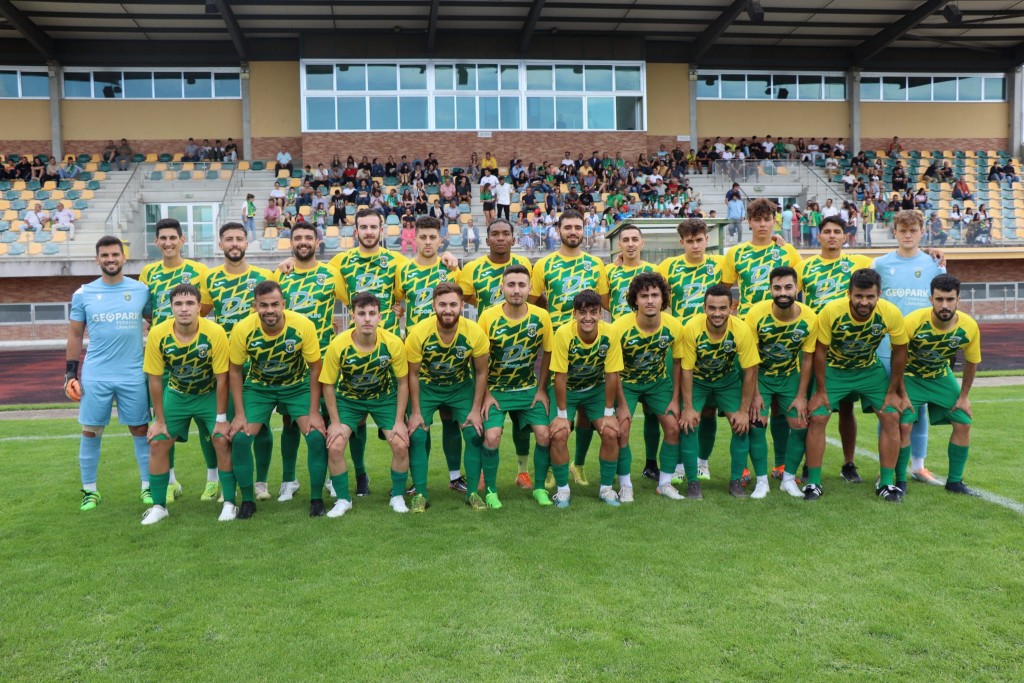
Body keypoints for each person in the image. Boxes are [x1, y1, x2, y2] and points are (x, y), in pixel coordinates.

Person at [805, 268, 910, 502]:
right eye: (858, 296)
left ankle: (886, 482)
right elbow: (820, 352)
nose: (864, 302)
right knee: (818, 416)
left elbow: (900, 352)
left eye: (870, 296)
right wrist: (821, 390)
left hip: (868, 369)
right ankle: (813, 481)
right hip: (835, 369)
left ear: (879, 294)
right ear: (849, 294)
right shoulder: (832, 311)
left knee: (891, 415)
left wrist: (893, 391)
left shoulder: (890, 313)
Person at [65, 236, 152, 512]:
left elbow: (156, 322)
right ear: (97, 259)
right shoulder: (83, 293)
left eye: (115, 254)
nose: (110, 259)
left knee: (141, 429)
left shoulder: (141, 290)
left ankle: (148, 486)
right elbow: (75, 334)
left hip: (133, 373)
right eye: (105, 255)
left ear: (124, 257)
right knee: (91, 431)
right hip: (96, 374)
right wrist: (70, 374)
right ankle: (90, 491)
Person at [226, 281, 327, 519]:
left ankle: (316, 499)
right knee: (240, 438)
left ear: (283, 304)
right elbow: (235, 371)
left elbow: (315, 368)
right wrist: (239, 414)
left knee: (315, 436)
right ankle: (248, 501)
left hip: (296, 386)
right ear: (255, 306)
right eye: (263, 305)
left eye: (274, 304)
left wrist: (314, 411)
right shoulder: (243, 329)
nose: (269, 310)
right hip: (259, 388)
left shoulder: (303, 325)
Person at [141, 284, 232, 524]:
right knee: (158, 442)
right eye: (178, 304)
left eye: (190, 303)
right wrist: (159, 421)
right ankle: (159, 506)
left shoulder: (215, 332)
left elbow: (222, 378)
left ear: (200, 307)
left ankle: (230, 502)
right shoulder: (158, 333)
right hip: (177, 394)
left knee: (222, 439)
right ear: (171, 308)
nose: (184, 309)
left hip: (208, 393)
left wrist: (222, 419)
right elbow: (154, 379)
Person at [199, 222, 276, 499]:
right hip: (225, 361)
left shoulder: (264, 275)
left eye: (239, 239)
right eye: (229, 239)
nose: (234, 243)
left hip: (259, 360)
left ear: (246, 243)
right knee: (227, 424)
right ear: (221, 244)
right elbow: (200, 313)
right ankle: (227, 484)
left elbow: (278, 310)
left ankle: (261, 483)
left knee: (261, 425)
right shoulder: (210, 278)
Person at [139, 218, 215, 500]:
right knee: (162, 423)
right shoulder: (148, 272)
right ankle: (170, 481)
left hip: (196, 354)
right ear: (156, 241)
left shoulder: (199, 271)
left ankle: (213, 480)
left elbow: (205, 306)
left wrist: (187, 328)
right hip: (163, 354)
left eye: (173, 237)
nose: (168, 243)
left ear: (183, 240)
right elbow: (146, 309)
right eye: (163, 238)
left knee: (208, 424)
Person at [319, 292, 411, 517]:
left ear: (380, 317)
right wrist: (335, 422)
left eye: (372, 313)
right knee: (335, 446)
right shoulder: (338, 344)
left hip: (383, 399)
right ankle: (343, 499)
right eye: (361, 314)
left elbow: (403, 383)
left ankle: (397, 496)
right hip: (349, 400)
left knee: (400, 444)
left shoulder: (393, 343)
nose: (367, 318)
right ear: (353, 317)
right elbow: (328, 385)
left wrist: (400, 421)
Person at [797, 215, 873, 482]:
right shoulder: (804, 267)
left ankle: (848, 463)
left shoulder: (859, 263)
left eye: (837, 231)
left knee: (847, 410)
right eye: (827, 231)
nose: (832, 235)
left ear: (845, 237)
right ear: (818, 236)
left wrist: (932, 254)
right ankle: (809, 463)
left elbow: (893, 264)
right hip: (815, 345)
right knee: (813, 409)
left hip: (847, 348)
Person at [872, 210, 945, 486]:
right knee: (889, 409)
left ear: (922, 233)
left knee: (919, 408)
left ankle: (918, 467)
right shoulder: (879, 264)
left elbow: (942, 301)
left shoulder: (935, 263)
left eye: (913, 230)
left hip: (920, 350)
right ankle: (886, 468)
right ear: (895, 232)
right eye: (902, 230)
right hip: (887, 349)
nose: (907, 235)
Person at [273, 222, 344, 502]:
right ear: (291, 243)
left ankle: (332, 477)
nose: (303, 242)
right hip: (290, 361)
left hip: (325, 360)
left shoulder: (331, 274)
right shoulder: (281, 274)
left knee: (329, 419)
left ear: (317, 242)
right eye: (297, 238)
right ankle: (288, 480)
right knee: (289, 421)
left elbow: (355, 302)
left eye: (308, 238)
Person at [394, 216, 466, 494]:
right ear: (414, 239)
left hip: (450, 356)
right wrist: (398, 312)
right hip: (418, 358)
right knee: (418, 423)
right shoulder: (404, 270)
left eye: (432, 237)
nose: (427, 242)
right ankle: (417, 481)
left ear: (440, 239)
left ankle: (455, 476)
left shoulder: (451, 269)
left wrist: (456, 265)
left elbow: (464, 299)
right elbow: (394, 301)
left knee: (451, 419)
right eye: (422, 237)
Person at [405, 283, 489, 511]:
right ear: (433, 305)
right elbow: (412, 374)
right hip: (427, 386)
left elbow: (481, 372)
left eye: (453, 304)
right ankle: (420, 494)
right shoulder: (419, 333)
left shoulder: (474, 332)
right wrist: (415, 412)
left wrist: (475, 410)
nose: (448, 310)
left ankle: (472, 493)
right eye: (442, 304)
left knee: (474, 432)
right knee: (417, 433)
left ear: (462, 305)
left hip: (459, 387)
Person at [477, 265, 554, 509]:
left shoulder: (541, 316)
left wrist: (541, 390)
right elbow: (478, 359)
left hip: (527, 388)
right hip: (496, 390)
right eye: (511, 285)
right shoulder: (488, 317)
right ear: (502, 287)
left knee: (544, 434)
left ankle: (539, 488)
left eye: (522, 285)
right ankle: (491, 491)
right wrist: (486, 394)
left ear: (530, 288)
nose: (516, 290)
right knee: (492, 436)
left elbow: (548, 353)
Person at [899, 274, 982, 496]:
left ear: (958, 300)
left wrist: (963, 397)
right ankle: (899, 480)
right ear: (931, 299)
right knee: (903, 425)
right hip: (911, 376)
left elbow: (972, 363)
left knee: (963, 422)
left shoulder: (969, 326)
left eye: (950, 299)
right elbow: (897, 360)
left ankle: (954, 482)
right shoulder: (913, 321)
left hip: (940, 375)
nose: (944, 305)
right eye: (939, 299)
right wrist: (902, 393)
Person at [606, 272, 687, 500]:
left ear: (663, 299)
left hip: (658, 382)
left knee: (673, 427)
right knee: (622, 429)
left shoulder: (674, 326)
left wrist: (675, 399)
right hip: (627, 384)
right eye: (644, 296)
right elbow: (613, 370)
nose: (650, 300)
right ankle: (625, 485)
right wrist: (622, 404)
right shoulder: (619, 328)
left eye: (655, 295)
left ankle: (665, 483)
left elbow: (678, 364)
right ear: (635, 300)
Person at [679, 284, 761, 498]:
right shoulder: (692, 328)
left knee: (741, 425)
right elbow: (686, 370)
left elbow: (750, 371)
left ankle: (736, 481)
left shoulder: (741, 330)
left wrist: (743, 411)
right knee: (689, 423)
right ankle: (693, 482)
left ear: (732, 308)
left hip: (727, 382)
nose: (717, 313)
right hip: (698, 381)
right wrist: (688, 407)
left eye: (723, 308)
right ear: (704, 308)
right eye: (712, 308)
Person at [744, 267, 818, 498]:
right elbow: (751, 359)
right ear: (770, 289)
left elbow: (807, 359)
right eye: (777, 288)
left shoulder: (809, 318)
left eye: (788, 287)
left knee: (801, 426)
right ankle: (761, 482)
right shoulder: (756, 314)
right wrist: (755, 394)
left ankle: (788, 479)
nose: (783, 292)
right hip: (761, 376)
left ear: (797, 288)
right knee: (756, 425)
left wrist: (801, 395)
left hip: (789, 376)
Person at [548, 290, 622, 507]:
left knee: (610, 433)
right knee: (559, 434)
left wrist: (608, 413)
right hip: (567, 390)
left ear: (600, 313)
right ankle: (563, 491)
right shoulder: (563, 333)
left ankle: (606, 489)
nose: (588, 317)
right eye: (582, 312)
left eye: (593, 312)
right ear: (574, 314)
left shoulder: (610, 333)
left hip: (594, 389)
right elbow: (560, 376)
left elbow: (612, 374)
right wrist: (562, 416)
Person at [530, 209, 610, 330]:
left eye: (578, 228)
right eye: (567, 228)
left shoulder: (596, 263)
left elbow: (607, 304)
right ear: (558, 231)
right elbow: (530, 302)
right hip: (556, 335)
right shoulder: (543, 264)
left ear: (583, 230)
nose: (573, 232)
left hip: (589, 336)